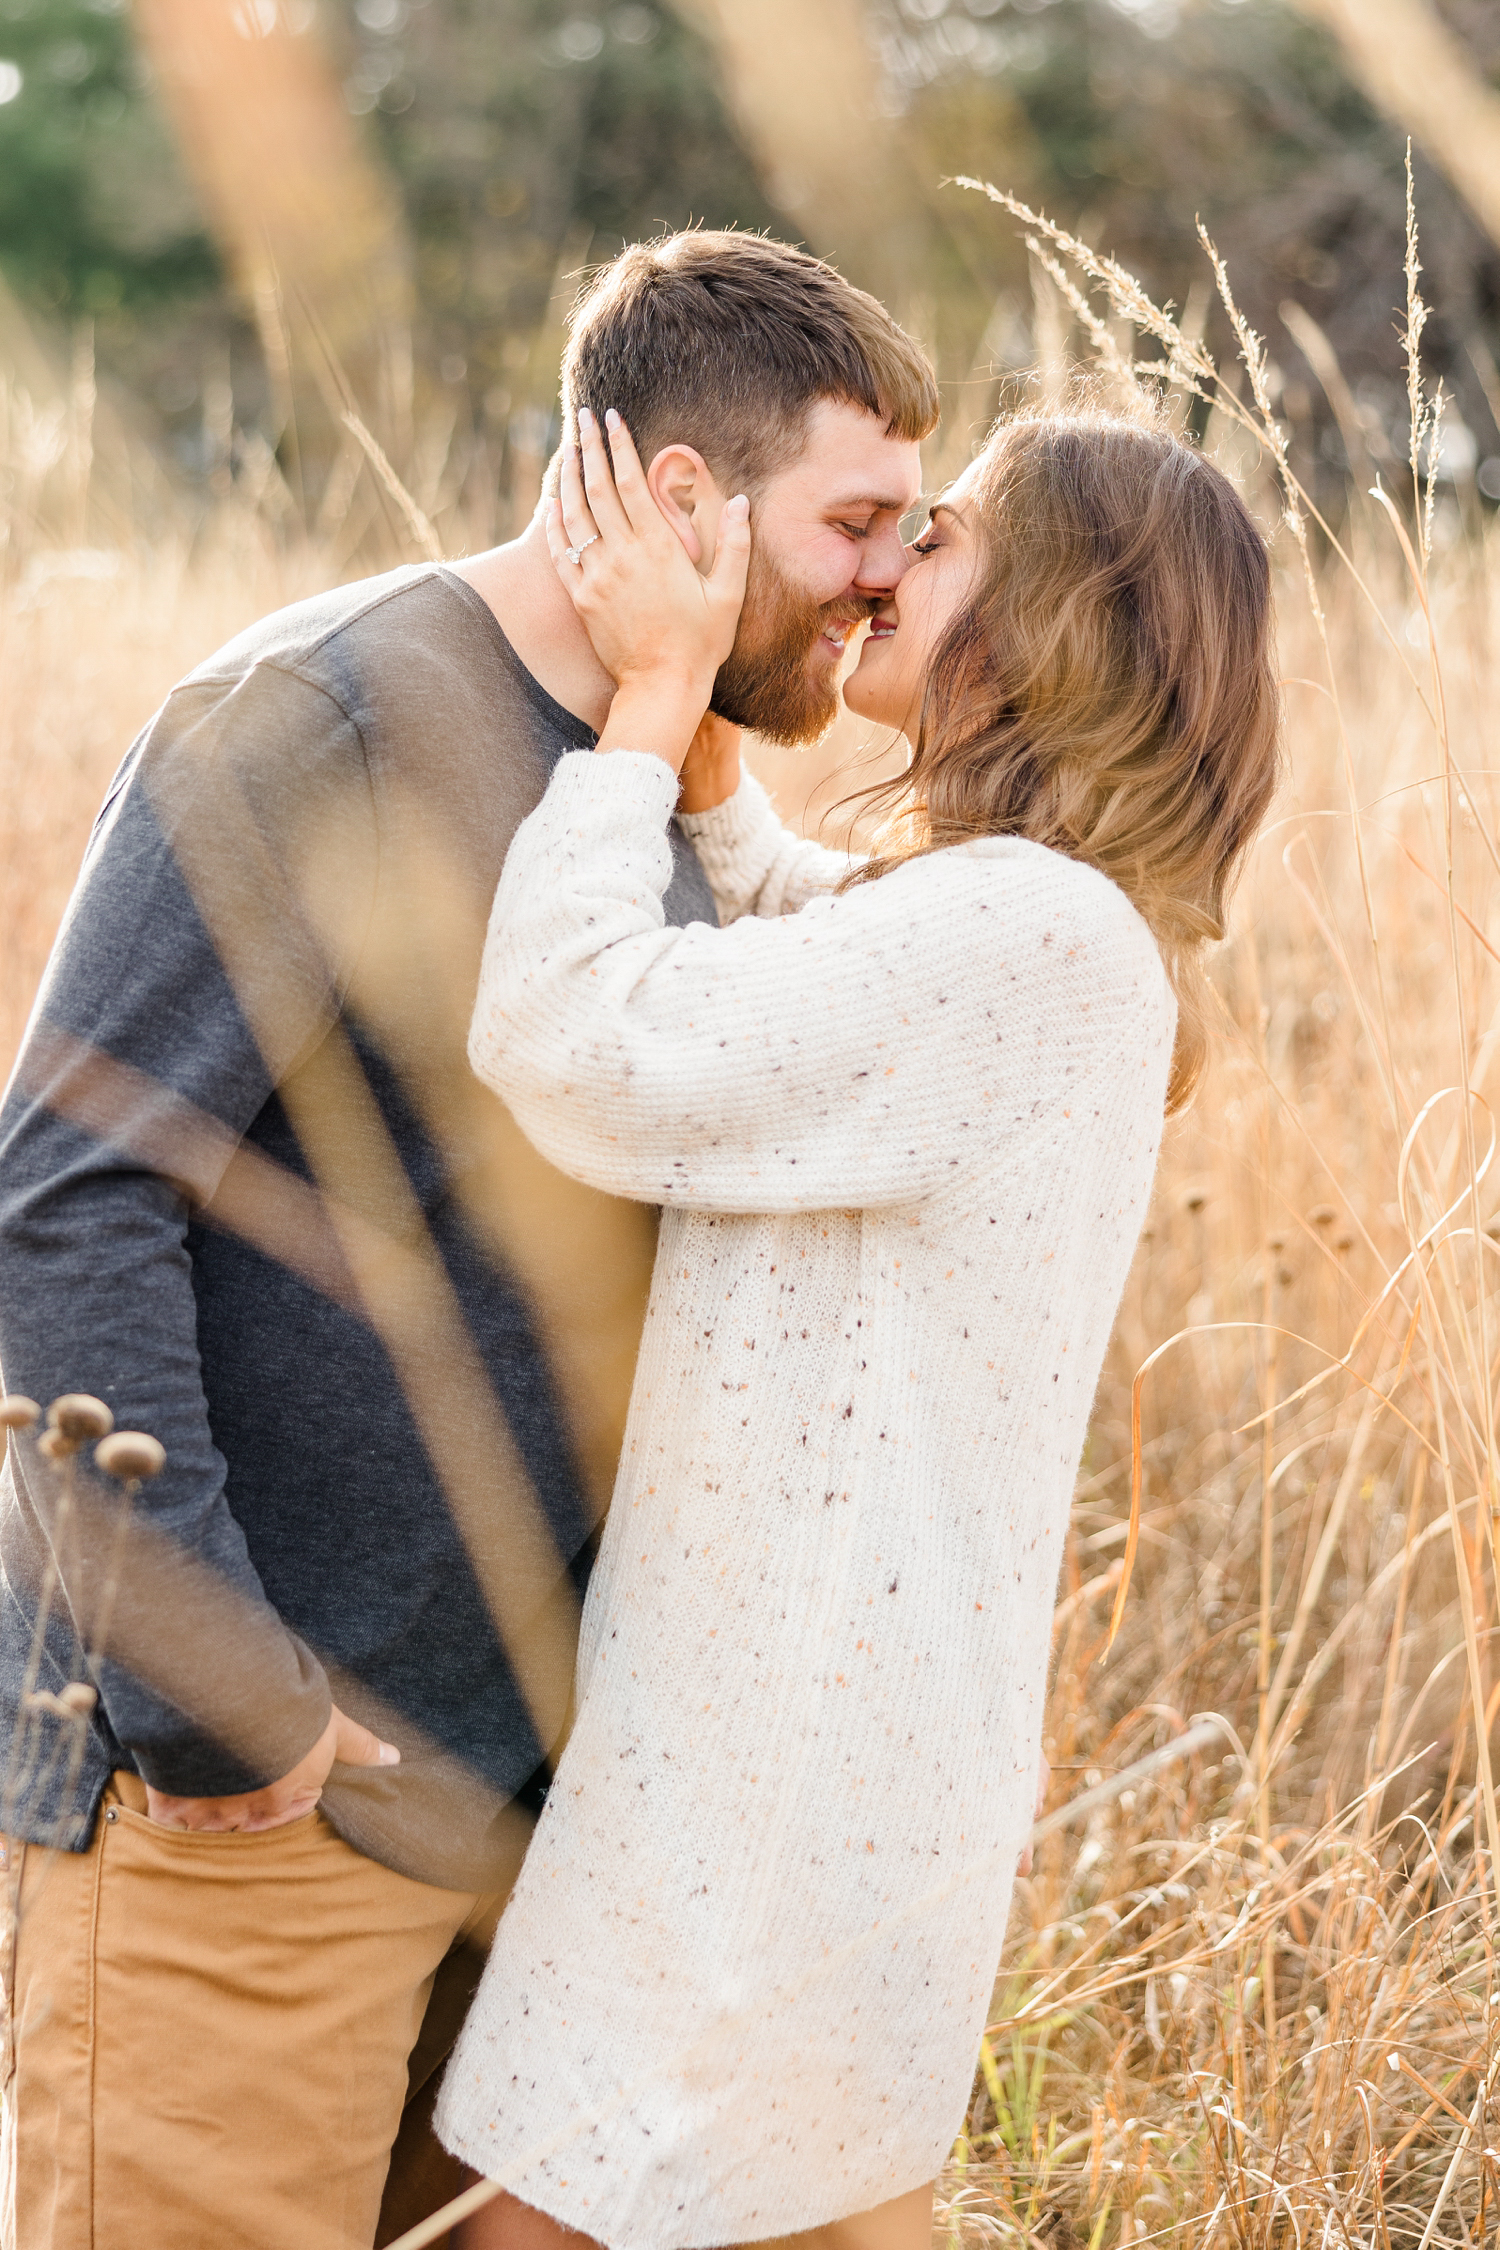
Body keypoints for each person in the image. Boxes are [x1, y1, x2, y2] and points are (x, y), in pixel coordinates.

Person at [0, 232, 937, 2250]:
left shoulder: (672, 795)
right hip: (257, 1820)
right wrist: (232, 1721)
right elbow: (66, 1199)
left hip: (550, 1840)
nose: (886, 577)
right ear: (679, 499)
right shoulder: (316, 713)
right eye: (858, 521)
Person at [436, 399, 1281, 2250]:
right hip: (829, 1753)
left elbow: (578, 1040)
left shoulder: (1027, 937)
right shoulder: (1034, 922)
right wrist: (725, 747)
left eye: (949, 534)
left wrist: (650, 714)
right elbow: (810, 953)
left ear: (1063, 611)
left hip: (779, 1774)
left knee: (548, 2219)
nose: (889, 563)